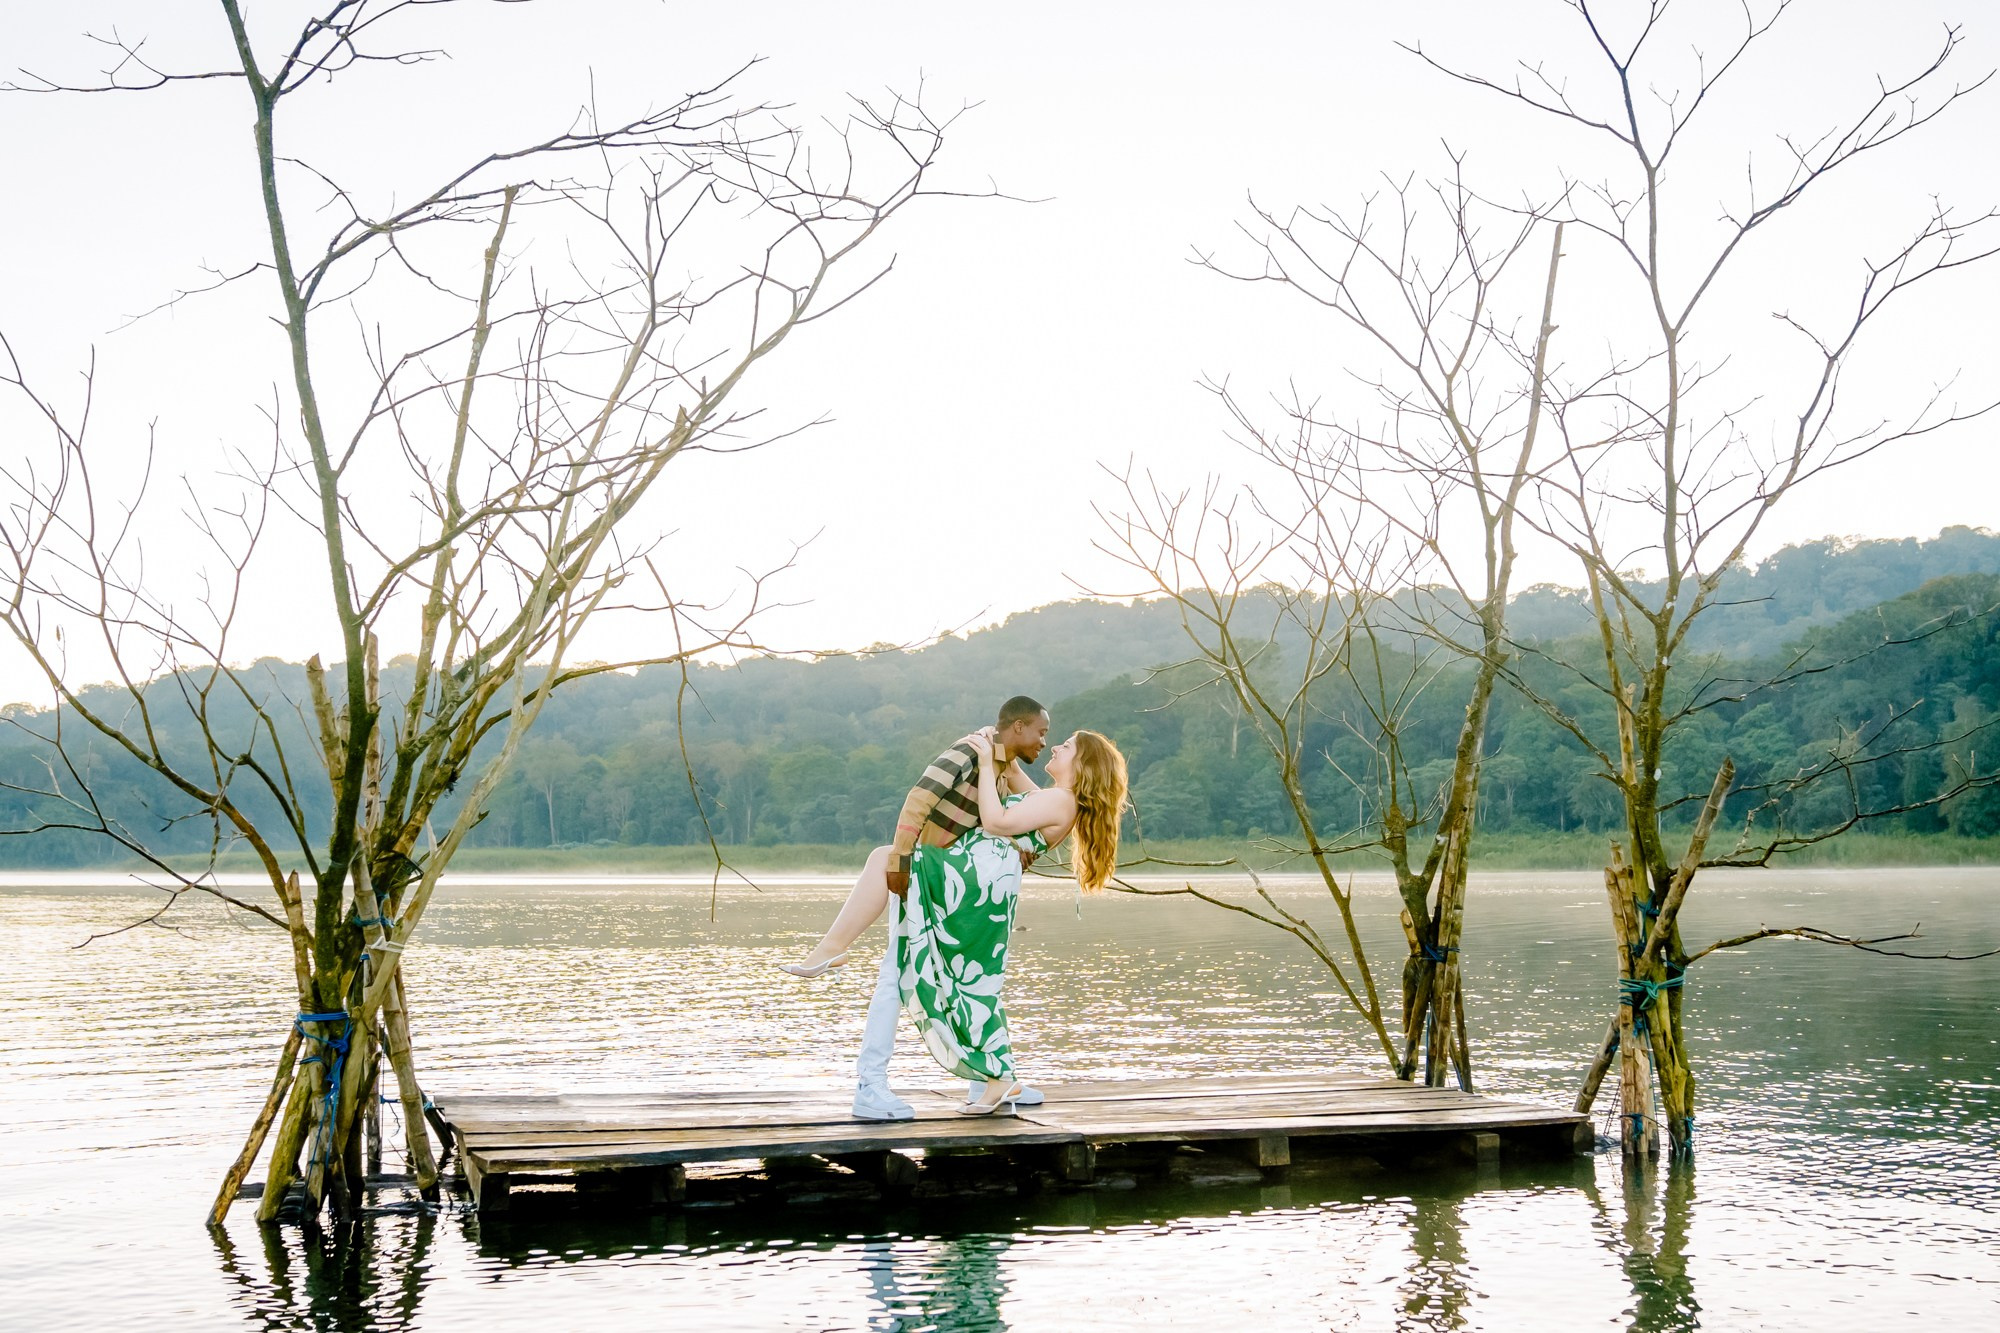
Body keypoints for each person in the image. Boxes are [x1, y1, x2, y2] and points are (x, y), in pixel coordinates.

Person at [780, 696, 1051, 1120]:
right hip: (922, 876)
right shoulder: (967, 751)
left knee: (967, 985)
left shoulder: (995, 766)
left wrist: (1007, 768)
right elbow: (919, 799)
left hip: (951, 889)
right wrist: (899, 858)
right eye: (1040, 732)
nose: (1044, 743)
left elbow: (1033, 813)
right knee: (894, 975)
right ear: (1018, 726)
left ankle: (986, 1078)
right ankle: (870, 1086)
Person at [909, 725, 1128, 1114]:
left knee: (976, 981)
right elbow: (1010, 775)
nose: (1056, 746)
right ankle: (997, 1077)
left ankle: (998, 1076)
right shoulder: (1053, 798)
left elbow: (995, 822)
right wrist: (996, 744)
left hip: (980, 885)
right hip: (988, 886)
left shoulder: (1060, 800)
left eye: (1067, 746)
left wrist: (980, 759)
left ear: (1082, 765)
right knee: (977, 980)